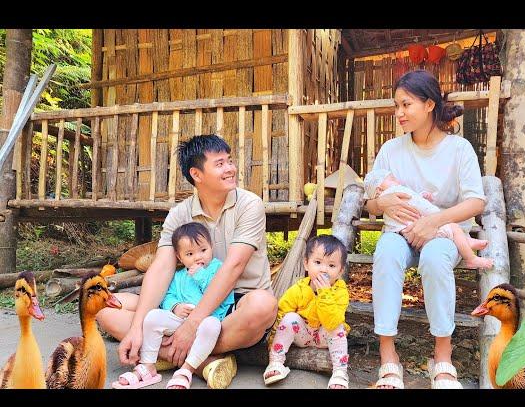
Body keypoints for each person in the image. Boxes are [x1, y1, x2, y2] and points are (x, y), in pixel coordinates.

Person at [97, 134, 278, 389]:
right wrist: (137, 327)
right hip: (186, 303)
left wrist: (192, 326)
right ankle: (202, 360)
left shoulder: (250, 205)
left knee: (264, 305)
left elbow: (233, 267)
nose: (230, 169)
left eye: (230, 161)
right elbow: (161, 268)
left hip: (234, 306)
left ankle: (163, 354)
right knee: (107, 310)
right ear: (197, 174)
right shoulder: (179, 214)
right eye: (220, 164)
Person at [365, 70, 487, 389]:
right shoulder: (392, 149)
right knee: (386, 252)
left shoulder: (459, 150)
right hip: (401, 233)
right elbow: (372, 203)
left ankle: (442, 358)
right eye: (396, 106)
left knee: (434, 258)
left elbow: (476, 202)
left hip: (445, 235)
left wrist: (434, 222)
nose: (399, 113)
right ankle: (388, 357)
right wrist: (384, 205)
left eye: (406, 105)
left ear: (429, 104)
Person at [112, 222, 234, 389]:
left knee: (211, 325)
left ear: (211, 247)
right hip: (180, 322)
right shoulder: (178, 276)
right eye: (190, 254)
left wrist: (200, 275)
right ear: (179, 257)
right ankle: (148, 366)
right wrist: (175, 306)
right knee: (152, 316)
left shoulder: (217, 268)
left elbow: (217, 291)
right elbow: (167, 296)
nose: (198, 257)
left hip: (209, 320)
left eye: (203, 250)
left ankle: (186, 370)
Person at [263, 235, 350, 389]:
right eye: (317, 262)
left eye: (331, 265)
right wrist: (272, 344)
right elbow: (282, 315)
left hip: (325, 335)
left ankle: (340, 371)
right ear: (306, 264)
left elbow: (332, 321)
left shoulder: (340, 291)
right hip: (303, 335)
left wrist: (325, 293)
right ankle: (276, 362)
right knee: (290, 318)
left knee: (338, 327)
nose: (323, 269)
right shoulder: (299, 289)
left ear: (340, 271)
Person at [363, 169, 493, 270]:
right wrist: (435, 216)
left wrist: (421, 196)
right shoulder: (394, 191)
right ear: (379, 189)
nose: (396, 180)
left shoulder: (389, 197)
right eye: (391, 179)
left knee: (439, 246)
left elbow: (412, 202)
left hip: (406, 233)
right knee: (454, 227)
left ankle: (464, 242)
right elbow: (419, 205)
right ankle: (470, 257)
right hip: (422, 228)